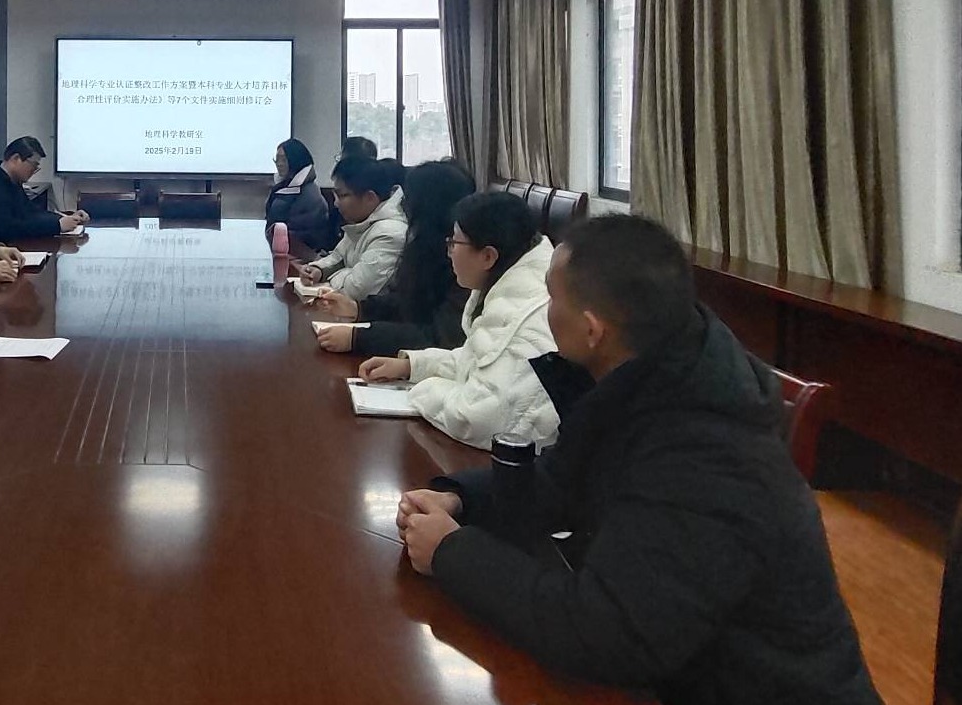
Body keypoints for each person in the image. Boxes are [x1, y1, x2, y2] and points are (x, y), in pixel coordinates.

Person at [395, 215, 880, 705]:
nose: (545, 311)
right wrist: (459, 499)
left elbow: (605, 635)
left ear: (592, 330)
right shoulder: (652, 373)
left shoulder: (706, 453)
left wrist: (451, 552)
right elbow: (557, 483)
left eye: (552, 297)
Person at [360, 191, 558, 449]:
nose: (449, 252)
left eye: (454, 243)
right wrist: (411, 367)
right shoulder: (511, 285)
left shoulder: (527, 311)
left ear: (488, 256)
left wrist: (420, 389)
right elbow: (478, 361)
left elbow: (476, 418)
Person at [314, 159, 475, 356]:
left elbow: (440, 339)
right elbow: (404, 301)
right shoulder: (424, 246)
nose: (401, 205)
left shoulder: (465, 261)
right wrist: (358, 309)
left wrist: (358, 339)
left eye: (407, 199)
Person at [298, 154, 407, 300]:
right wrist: (318, 270)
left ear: (370, 198)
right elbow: (338, 257)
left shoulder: (390, 233)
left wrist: (335, 276)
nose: (336, 203)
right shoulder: (363, 221)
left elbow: (356, 291)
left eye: (342, 196)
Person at [0, 136, 89, 244]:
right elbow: (8, 229)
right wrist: (57, 225)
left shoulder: (12, 181)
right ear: (15, 158)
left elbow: (32, 212)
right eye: (33, 165)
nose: (34, 171)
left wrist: (66, 218)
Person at [265, 138, 333, 252]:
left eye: (284, 159)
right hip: (282, 248)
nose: (279, 164)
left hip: (300, 254)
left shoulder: (309, 193)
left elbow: (304, 235)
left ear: (296, 160)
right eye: (277, 159)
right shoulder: (284, 186)